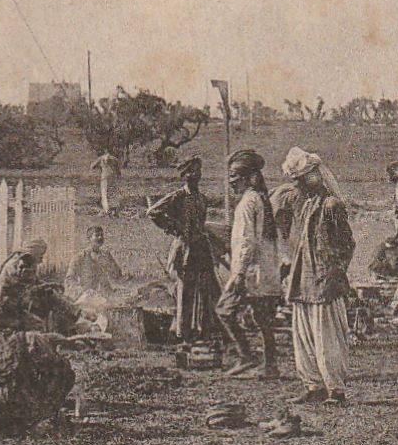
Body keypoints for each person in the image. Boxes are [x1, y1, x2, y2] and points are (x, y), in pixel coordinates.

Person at [281, 147, 355, 404]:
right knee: (303, 334)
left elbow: (347, 245)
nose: (298, 185)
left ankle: (336, 389)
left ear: (315, 176)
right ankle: (313, 386)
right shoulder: (304, 203)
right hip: (303, 278)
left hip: (325, 280)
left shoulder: (332, 205)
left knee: (328, 336)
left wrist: (334, 271)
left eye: (301, 180)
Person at [0, 292, 76, 437]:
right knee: (62, 367)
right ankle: (40, 418)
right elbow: (55, 366)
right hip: (16, 414)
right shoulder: (30, 338)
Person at [147, 156, 227, 346]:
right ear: (185, 176)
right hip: (185, 249)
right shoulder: (178, 197)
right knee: (186, 290)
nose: (195, 175)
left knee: (208, 289)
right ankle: (183, 334)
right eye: (191, 172)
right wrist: (173, 227)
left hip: (202, 248)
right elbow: (152, 212)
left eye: (198, 171)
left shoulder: (202, 199)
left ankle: (206, 330)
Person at [219, 149, 282, 378]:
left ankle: (247, 356)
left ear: (247, 178)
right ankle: (270, 365)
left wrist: (238, 274)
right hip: (266, 272)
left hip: (250, 273)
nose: (232, 182)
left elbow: (247, 242)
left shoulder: (247, 203)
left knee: (224, 310)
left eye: (235, 177)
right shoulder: (261, 199)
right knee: (264, 320)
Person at [67, 225, 125, 297]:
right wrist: (81, 290)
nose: (100, 238)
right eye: (97, 235)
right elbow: (69, 279)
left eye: (102, 235)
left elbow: (117, 274)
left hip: (106, 295)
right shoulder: (80, 257)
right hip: (88, 296)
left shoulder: (106, 255)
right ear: (89, 238)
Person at [91, 151, 121, 216]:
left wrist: (99, 166)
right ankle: (114, 209)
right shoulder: (115, 159)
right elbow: (118, 171)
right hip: (113, 177)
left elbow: (92, 166)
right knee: (113, 192)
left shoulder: (101, 158)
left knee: (104, 193)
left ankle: (106, 210)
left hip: (104, 177)